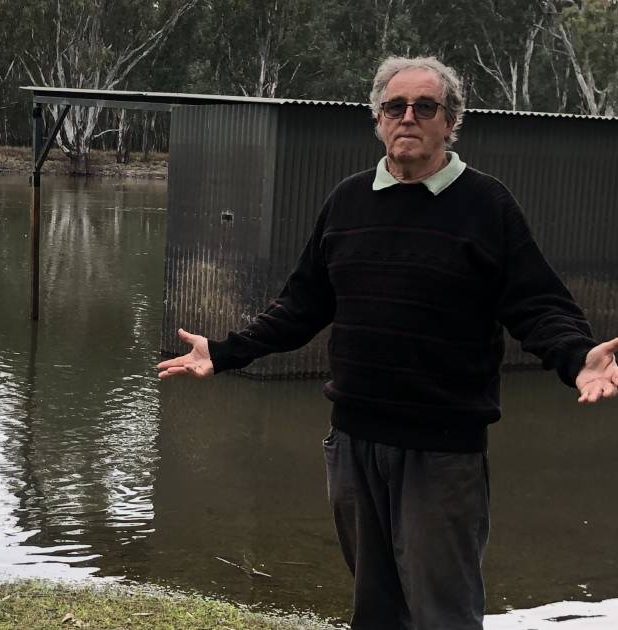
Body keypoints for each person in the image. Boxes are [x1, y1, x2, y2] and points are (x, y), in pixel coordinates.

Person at [156, 56, 618, 630]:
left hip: (442, 448)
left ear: (451, 122)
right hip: (353, 442)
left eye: (426, 106)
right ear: (377, 119)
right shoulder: (348, 201)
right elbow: (302, 306)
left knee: (442, 611)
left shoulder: (486, 205)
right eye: (395, 106)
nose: (409, 117)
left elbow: (537, 303)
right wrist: (224, 353)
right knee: (375, 609)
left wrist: (578, 357)